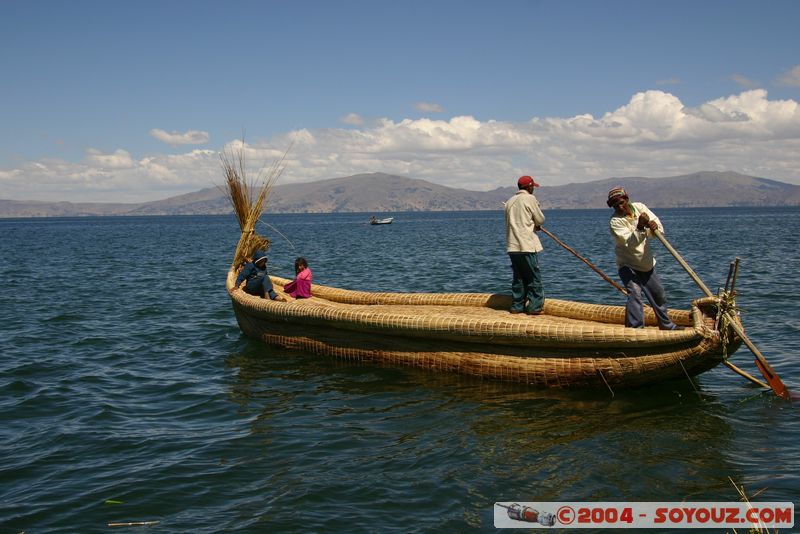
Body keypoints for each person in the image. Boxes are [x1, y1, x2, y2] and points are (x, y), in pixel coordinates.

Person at [607, 187, 678, 330]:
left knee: (659, 295)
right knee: (635, 294)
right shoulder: (615, 222)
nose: (619, 207)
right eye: (615, 205)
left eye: (621, 203)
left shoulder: (640, 207)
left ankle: (666, 325)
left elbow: (658, 231)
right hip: (628, 265)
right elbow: (631, 243)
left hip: (646, 264)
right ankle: (635, 329)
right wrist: (640, 227)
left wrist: (653, 226)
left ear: (627, 199)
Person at [505, 175, 546, 315]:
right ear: (529, 187)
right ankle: (534, 307)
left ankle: (517, 306)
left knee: (519, 277)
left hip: (512, 246)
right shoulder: (530, 198)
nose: (533, 188)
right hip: (526, 245)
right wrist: (536, 224)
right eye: (532, 186)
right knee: (533, 277)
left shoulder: (510, 201)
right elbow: (540, 219)